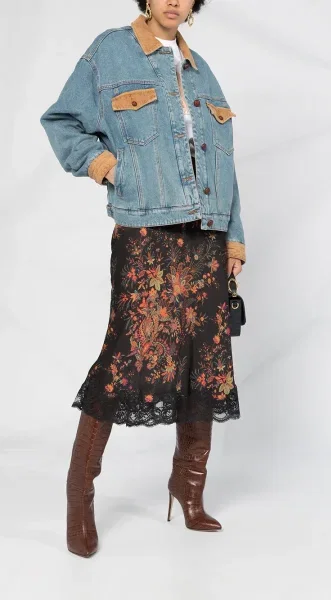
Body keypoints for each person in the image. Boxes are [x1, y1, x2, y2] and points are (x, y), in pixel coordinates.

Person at [40, 0, 246, 557]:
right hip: (147, 234)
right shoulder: (110, 51)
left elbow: (225, 166)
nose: (174, 1)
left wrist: (234, 240)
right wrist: (108, 167)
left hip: (206, 237)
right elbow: (62, 120)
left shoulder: (202, 71)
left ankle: (188, 488)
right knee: (124, 360)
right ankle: (80, 496)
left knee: (205, 364)